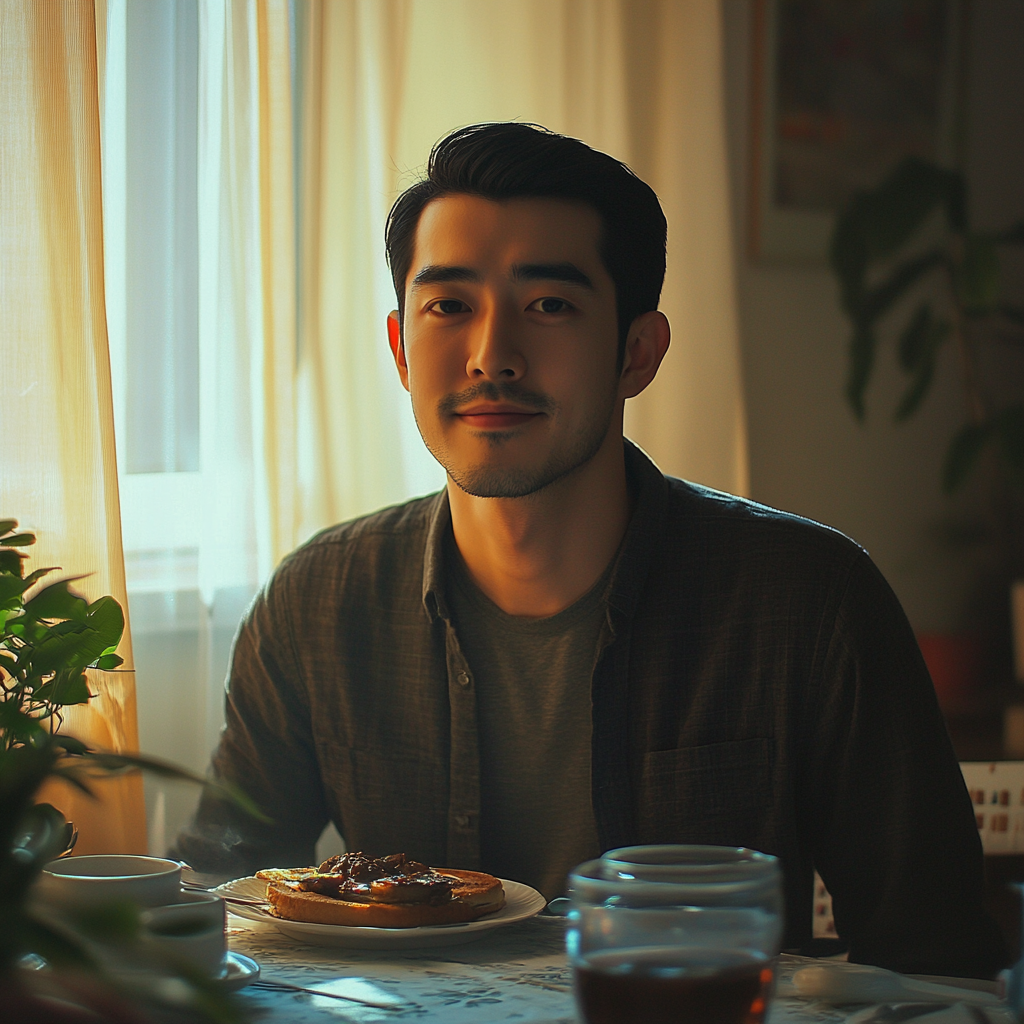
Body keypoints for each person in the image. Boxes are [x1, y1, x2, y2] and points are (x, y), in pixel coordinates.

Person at [174, 122, 1005, 977]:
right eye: (449, 306)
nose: (492, 356)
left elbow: (937, 962)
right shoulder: (318, 602)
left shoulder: (812, 602)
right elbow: (209, 903)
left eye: (550, 306)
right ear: (399, 349)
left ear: (638, 352)